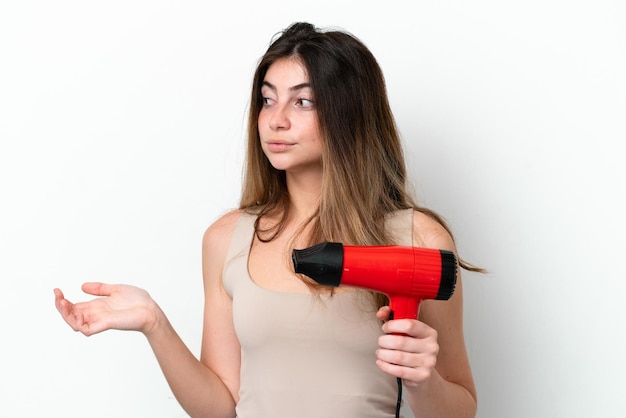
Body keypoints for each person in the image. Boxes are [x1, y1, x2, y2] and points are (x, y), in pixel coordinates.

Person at [54, 21, 480, 418]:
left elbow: (461, 407)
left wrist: (422, 380)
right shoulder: (228, 238)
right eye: (268, 98)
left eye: (303, 100)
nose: (276, 120)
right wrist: (154, 323)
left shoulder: (417, 239)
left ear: (349, 112)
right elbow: (220, 405)